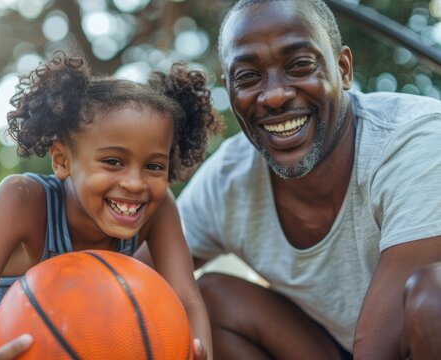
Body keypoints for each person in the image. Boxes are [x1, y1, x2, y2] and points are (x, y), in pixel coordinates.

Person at [174, 0, 441, 359]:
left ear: (343, 69)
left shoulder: (414, 139)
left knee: (434, 297)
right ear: (229, 89)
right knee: (212, 300)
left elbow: (378, 349)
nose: (274, 95)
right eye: (249, 77)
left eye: (300, 65)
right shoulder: (229, 177)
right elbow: (131, 274)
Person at [0, 50, 224, 360]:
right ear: (62, 160)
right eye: (113, 161)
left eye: (154, 166)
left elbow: (187, 301)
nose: (136, 183)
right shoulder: (23, 200)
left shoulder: (159, 210)